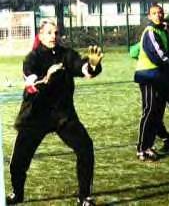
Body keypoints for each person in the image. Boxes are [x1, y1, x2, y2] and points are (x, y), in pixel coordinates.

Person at [6, 19, 104, 206]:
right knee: (19, 161)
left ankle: (85, 197)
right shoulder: (32, 57)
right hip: (35, 115)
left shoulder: (66, 54)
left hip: (62, 116)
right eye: (49, 33)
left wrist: (91, 66)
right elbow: (31, 82)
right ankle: (17, 194)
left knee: (85, 147)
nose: (53, 36)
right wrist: (47, 77)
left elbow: (83, 69)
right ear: (40, 35)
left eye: (56, 33)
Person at [134, 3, 169, 161]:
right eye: (154, 13)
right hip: (148, 76)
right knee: (149, 111)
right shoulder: (151, 31)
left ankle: (150, 145)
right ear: (149, 16)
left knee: (156, 112)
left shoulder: (162, 30)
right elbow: (158, 55)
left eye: (160, 12)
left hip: (158, 76)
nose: (158, 15)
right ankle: (142, 148)